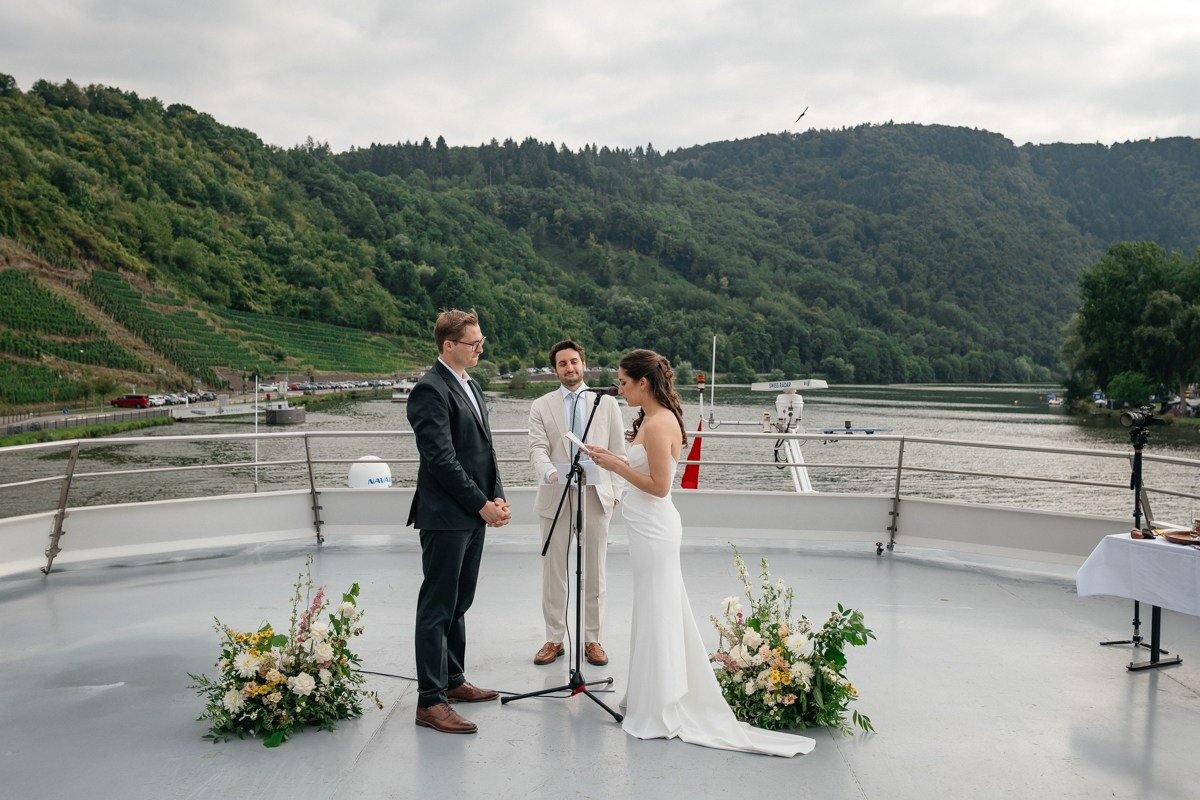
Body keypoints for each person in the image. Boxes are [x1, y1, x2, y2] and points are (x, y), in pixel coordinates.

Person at [584, 349, 815, 757]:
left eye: (623, 381)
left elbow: (659, 487)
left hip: (654, 530)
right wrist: (613, 459)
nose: (619, 388)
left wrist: (616, 467)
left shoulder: (658, 424)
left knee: (658, 608)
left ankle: (660, 706)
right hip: (644, 529)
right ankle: (651, 694)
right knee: (653, 608)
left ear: (643, 382)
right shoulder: (654, 420)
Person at [406, 309, 511, 735]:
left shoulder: (471, 384)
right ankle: (430, 702)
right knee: (436, 608)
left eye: (480, 341)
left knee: (459, 602)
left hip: (472, 513)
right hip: (447, 517)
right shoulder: (429, 390)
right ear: (448, 345)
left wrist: (497, 494)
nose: (480, 348)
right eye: (473, 343)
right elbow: (443, 461)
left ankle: (453, 681)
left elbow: (483, 449)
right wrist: (480, 505)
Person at [528, 340, 627, 667]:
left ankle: (592, 639)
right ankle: (554, 639)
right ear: (555, 369)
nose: (569, 368)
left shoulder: (607, 404)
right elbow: (538, 449)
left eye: (574, 362)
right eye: (562, 364)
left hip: (596, 496)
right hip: (555, 494)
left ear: (583, 364)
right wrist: (549, 473)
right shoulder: (541, 405)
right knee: (553, 571)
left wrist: (615, 493)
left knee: (595, 570)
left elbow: (619, 454)